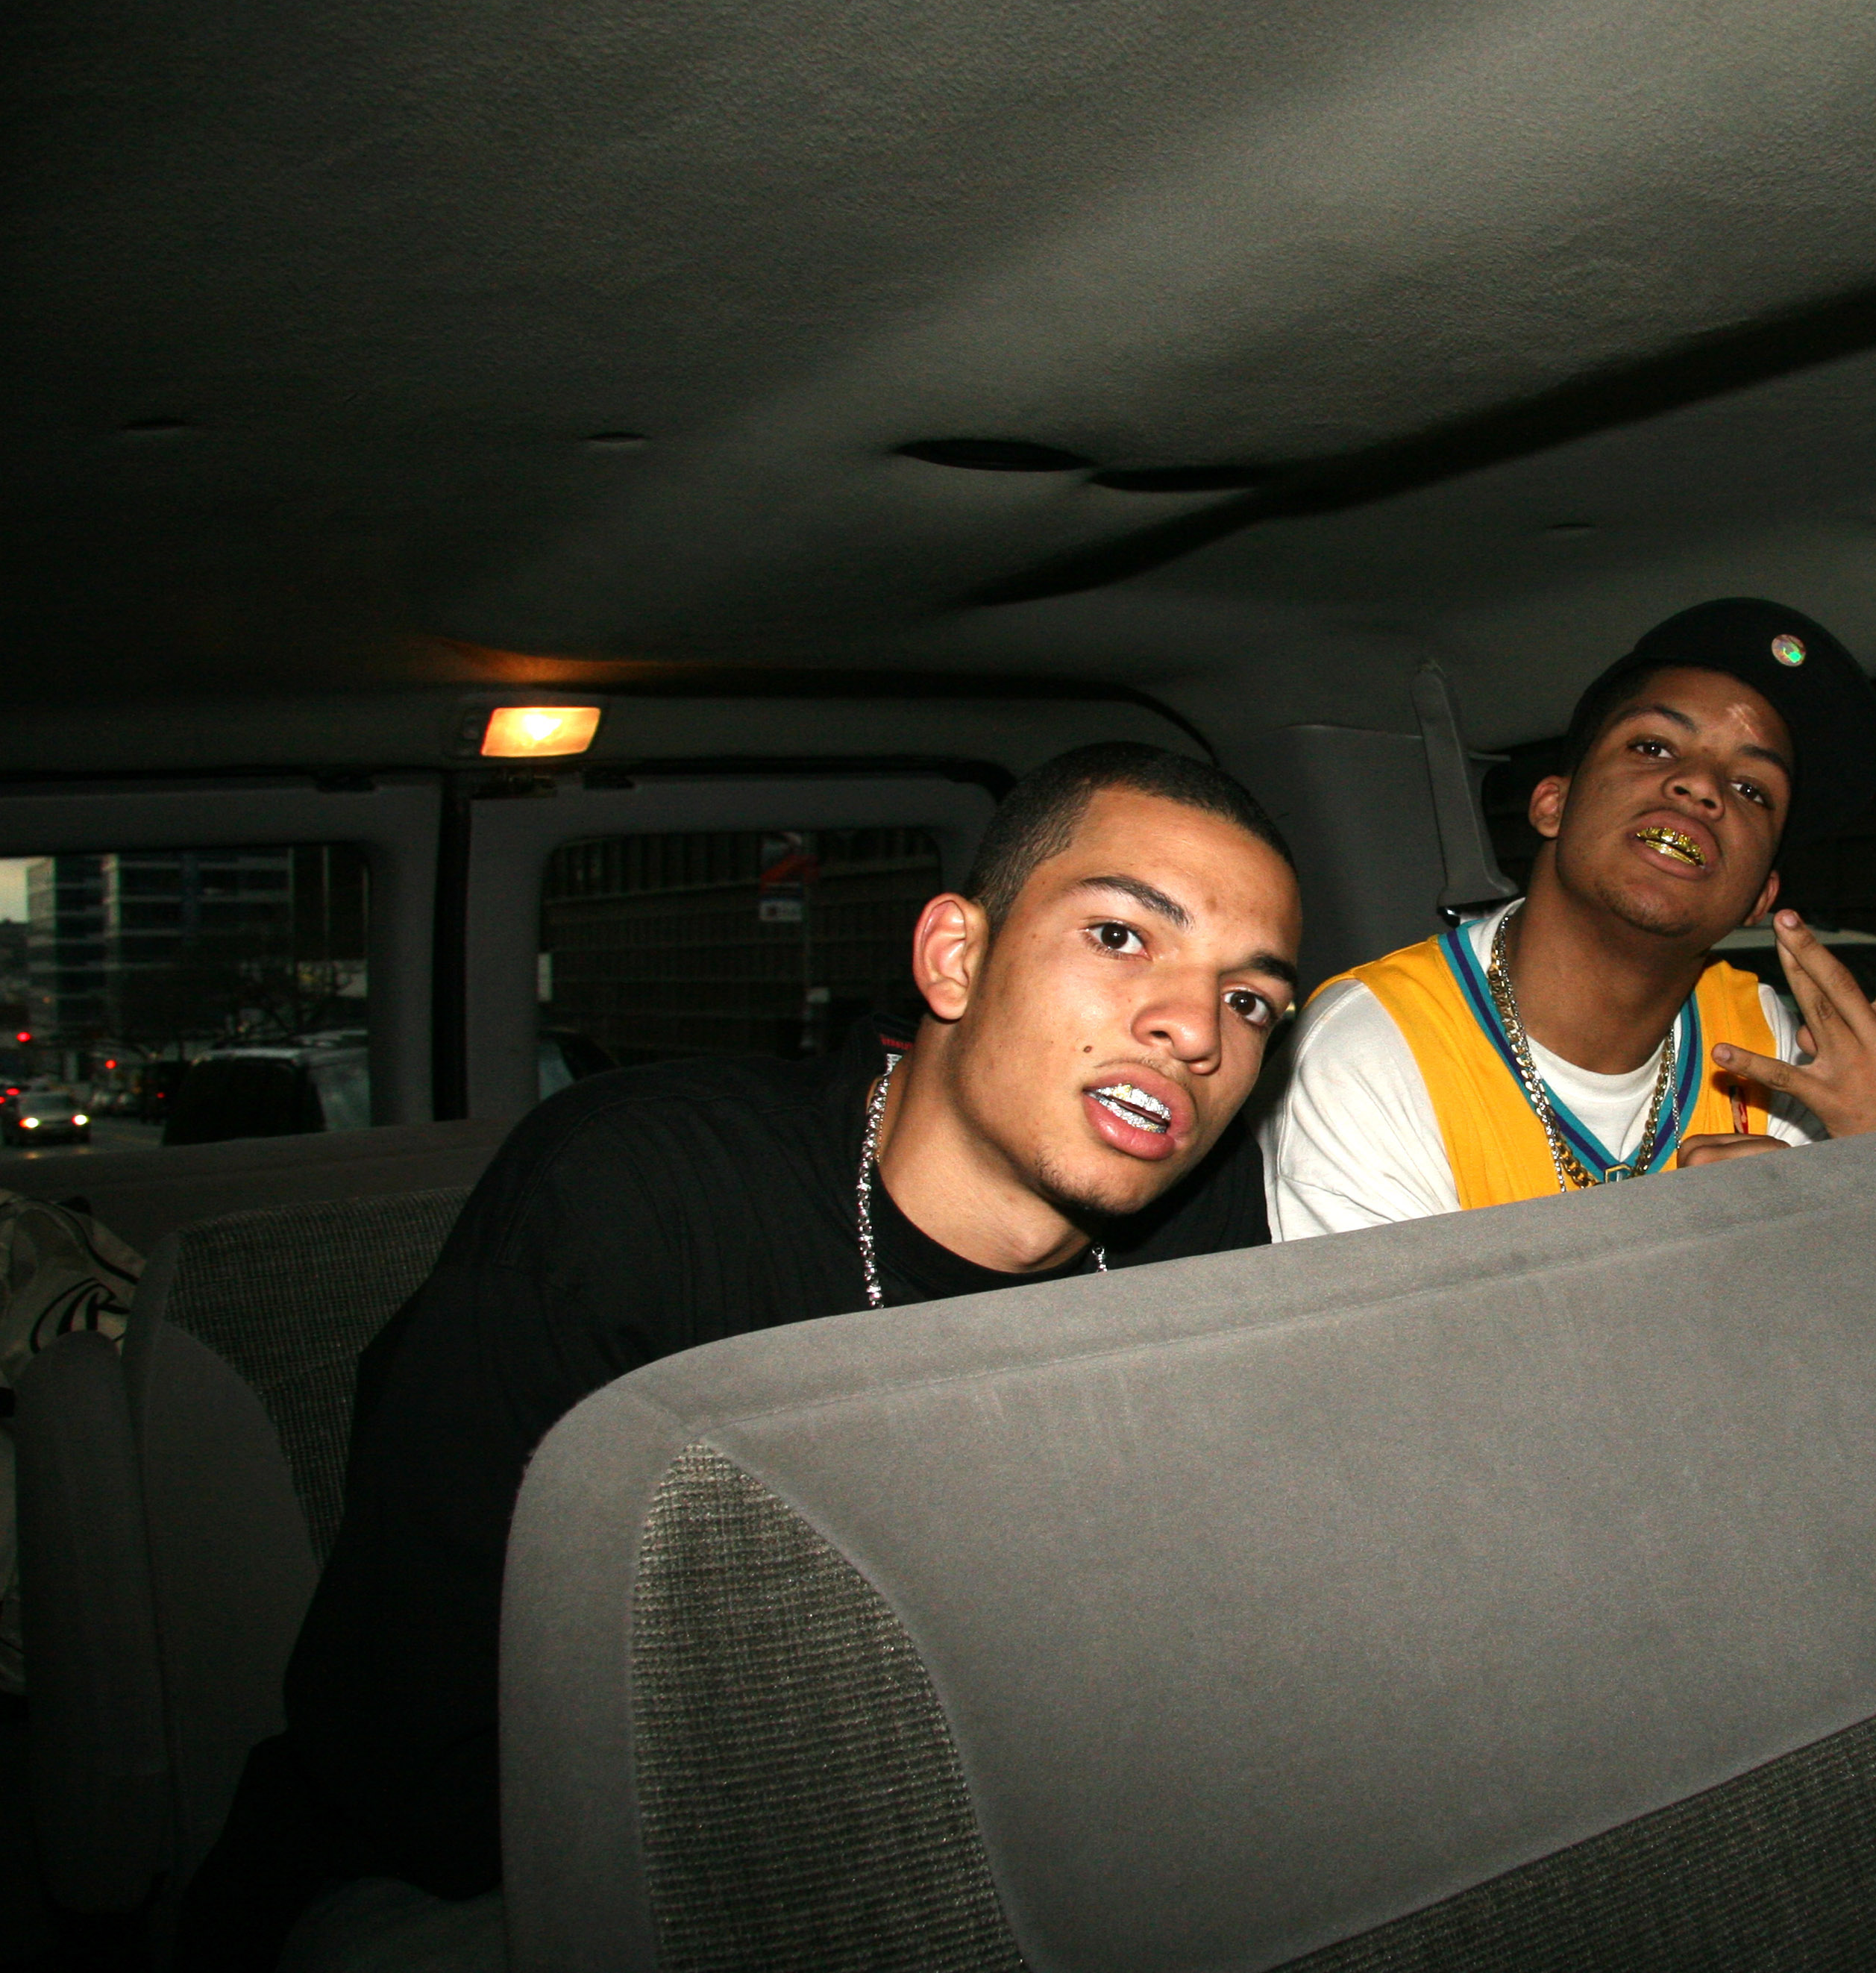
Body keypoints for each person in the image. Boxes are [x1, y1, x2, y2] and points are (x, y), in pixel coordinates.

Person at [177, 741, 1302, 1967]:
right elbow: (409, 1744)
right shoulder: (637, 1195)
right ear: (955, 957)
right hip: (455, 1869)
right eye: (1123, 937)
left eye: (1250, 998)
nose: (1195, 1026)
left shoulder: (1201, 1228)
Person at [1264, 598, 1876, 1238]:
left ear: (1760, 898)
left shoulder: (1761, 1037)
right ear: (1552, 806)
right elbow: (1415, 1359)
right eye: (1653, 748)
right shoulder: (1375, 1047)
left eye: (1750, 790)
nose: (1701, 786)